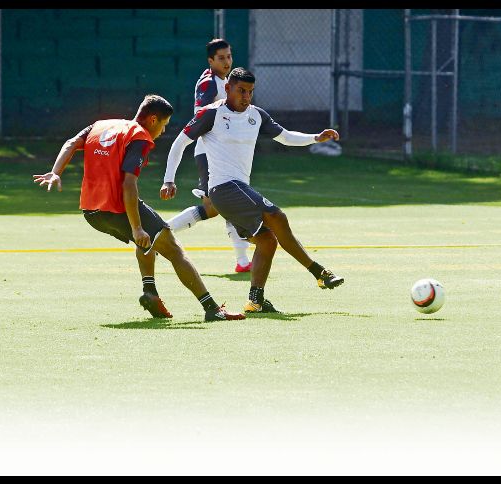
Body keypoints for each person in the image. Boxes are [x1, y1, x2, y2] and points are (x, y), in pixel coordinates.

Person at [32, 94, 245, 323]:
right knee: (173, 248)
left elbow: (71, 143)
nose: (163, 131)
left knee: (148, 240)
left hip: (91, 212)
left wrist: (55, 172)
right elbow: (128, 184)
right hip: (116, 208)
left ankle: (150, 291)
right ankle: (212, 309)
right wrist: (136, 227)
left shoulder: (101, 125)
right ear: (153, 119)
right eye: (164, 124)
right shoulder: (139, 137)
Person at [160, 67, 344, 314]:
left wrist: (316, 137)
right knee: (277, 216)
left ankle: (255, 301)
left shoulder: (256, 115)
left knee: (267, 241)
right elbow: (179, 143)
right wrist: (169, 180)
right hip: (223, 188)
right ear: (228, 89)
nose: (246, 96)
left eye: (250, 91)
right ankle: (319, 272)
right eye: (241, 90)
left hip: (239, 190)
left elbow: (285, 137)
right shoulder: (211, 113)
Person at [165, 38, 254, 273]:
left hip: (223, 153)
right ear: (210, 60)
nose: (227, 62)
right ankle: (160, 234)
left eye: (229, 56)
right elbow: (201, 115)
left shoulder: (226, 80)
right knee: (225, 203)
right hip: (210, 153)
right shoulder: (209, 83)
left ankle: (243, 261)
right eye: (221, 58)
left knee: (219, 206)